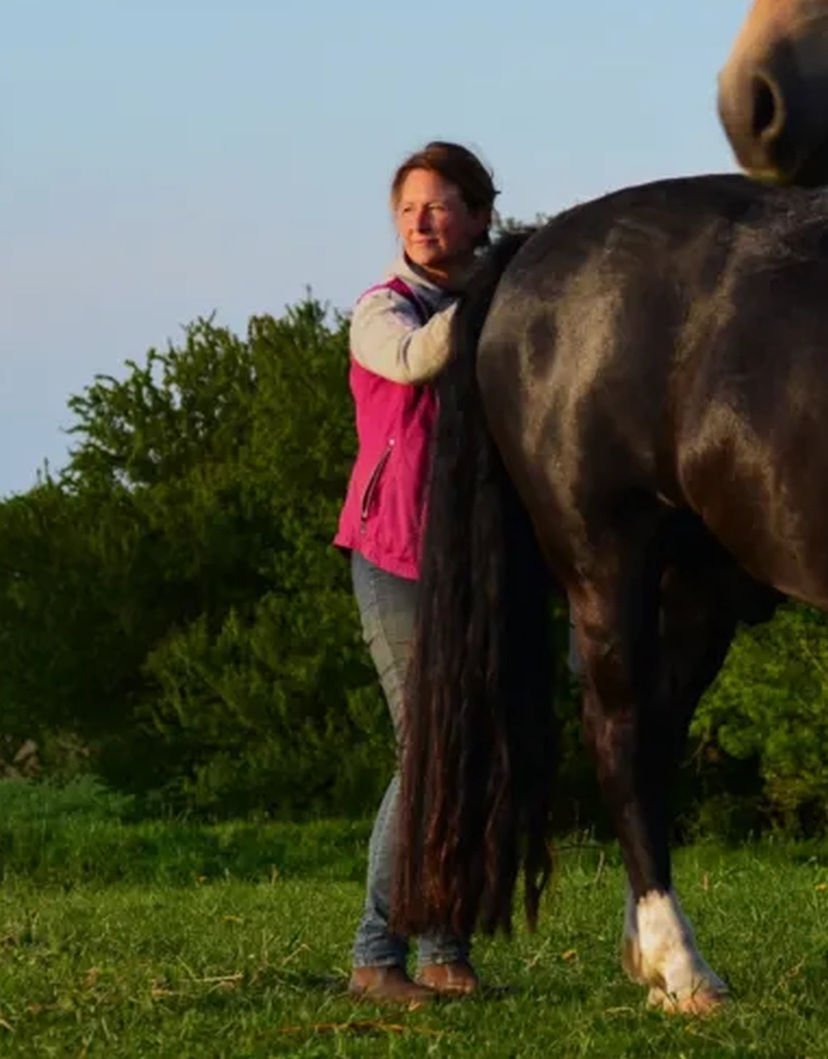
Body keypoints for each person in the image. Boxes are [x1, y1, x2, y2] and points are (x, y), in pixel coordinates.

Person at [332, 139, 497, 1008]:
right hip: (393, 560)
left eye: (439, 205)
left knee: (465, 754)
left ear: (479, 215)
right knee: (428, 749)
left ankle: (442, 951)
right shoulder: (382, 311)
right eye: (409, 209)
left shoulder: (485, 303)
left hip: (469, 562)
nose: (422, 221)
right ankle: (375, 956)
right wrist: (500, 294)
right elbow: (413, 361)